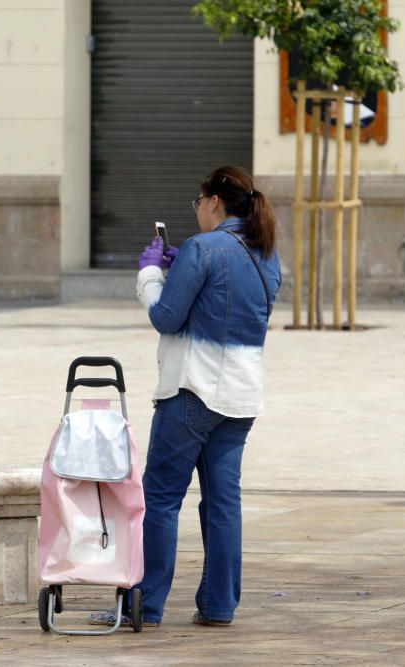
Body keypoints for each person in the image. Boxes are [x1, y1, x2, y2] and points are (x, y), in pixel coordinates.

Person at [91, 165, 281, 628]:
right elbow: (222, 305)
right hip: (240, 397)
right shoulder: (266, 254)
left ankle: (145, 604)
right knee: (222, 503)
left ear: (214, 201)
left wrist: (151, 274)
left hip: (191, 391)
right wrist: (182, 272)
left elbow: (165, 317)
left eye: (197, 203)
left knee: (160, 498)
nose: (196, 211)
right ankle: (219, 607)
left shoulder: (202, 247)